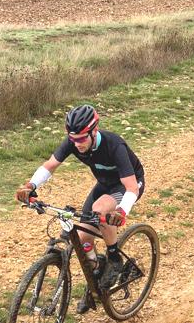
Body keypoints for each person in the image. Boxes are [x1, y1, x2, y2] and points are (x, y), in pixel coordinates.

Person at [15, 104, 145, 314]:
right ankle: (96, 282)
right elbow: (49, 165)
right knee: (82, 238)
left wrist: (121, 211)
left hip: (128, 184)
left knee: (100, 209)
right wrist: (30, 186)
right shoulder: (74, 142)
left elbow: (131, 187)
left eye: (82, 138)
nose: (77, 143)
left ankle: (114, 257)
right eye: (73, 139)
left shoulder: (114, 145)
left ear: (94, 131)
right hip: (104, 185)